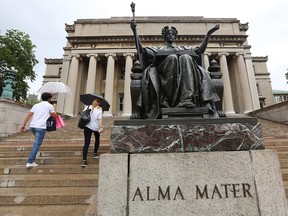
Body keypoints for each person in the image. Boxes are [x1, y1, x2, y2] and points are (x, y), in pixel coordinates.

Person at [130, 19, 220, 119]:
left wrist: (208, 34)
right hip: (164, 73)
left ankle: (187, 99)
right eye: (168, 34)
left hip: (183, 74)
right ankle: (168, 100)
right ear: (165, 37)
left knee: (186, 57)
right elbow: (141, 50)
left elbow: (200, 51)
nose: (170, 35)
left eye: (172, 34)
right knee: (172, 57)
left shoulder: (182, 49)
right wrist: (134, 31)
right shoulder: (159, 49)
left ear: (175, 36)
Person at [20, 92, 57, 168]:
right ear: (49, 99)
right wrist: (55, 108)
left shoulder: (36, 105)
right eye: (51, 98)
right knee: (36, 144)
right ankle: (30, 161)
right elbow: (55, 116)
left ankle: (33, 155)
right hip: (41, 127)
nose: (51, 99)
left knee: (36, 143)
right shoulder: (50, 106)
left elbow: (29, 114)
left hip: (33, 126)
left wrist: (23, 124)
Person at [81, 98, 103, 167]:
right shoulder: (99, 108)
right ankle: (95, 153)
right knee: (97, 139)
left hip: (87, 126)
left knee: (86, 143)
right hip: (95, 127)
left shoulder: (87, 107)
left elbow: (83, 115)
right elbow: (100, 119)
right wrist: (101, 127)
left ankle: (84, 160)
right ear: (98, 102)